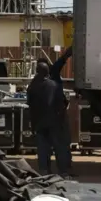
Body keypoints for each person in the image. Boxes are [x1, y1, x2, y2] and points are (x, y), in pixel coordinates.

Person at [26, 60, 69, 177]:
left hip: (39, 122)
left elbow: (29, 104)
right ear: (47, 72)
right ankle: (63, 171)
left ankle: (44, 170)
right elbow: (63, 103)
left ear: (37, 72)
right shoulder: (54, 85)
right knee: (59, 147)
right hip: (54, 122)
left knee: (42, 148)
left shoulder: (32, 87)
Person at [39, 46, 74, 175]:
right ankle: (63, 170)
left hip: (45, 118)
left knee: (45, 146)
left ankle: (46, 170)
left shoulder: (36, 82)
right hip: (57, 116)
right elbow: (61, 60)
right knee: (61, 144)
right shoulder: (52, 74)